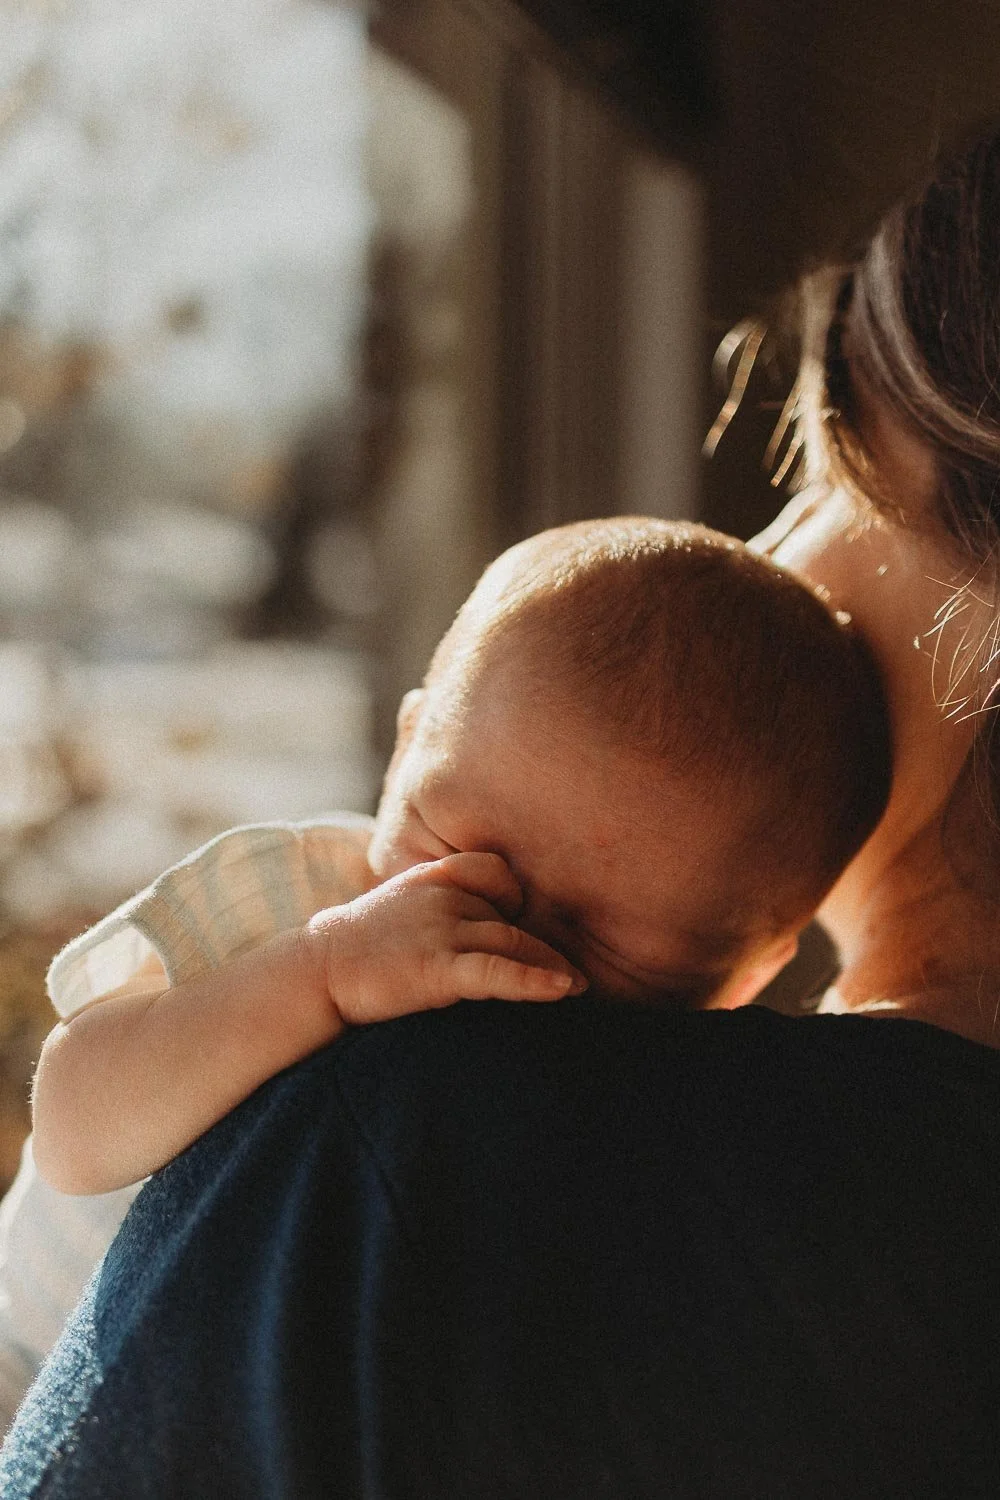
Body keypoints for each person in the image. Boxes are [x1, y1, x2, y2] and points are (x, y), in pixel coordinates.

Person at [5, 127, 1000, 1497]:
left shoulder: (420, 1144)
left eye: (829, 474)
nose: (483, 926)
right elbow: (73, 1104)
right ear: (413, 737)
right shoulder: (304, 923)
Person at [0, 517, 886, 1407]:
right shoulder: (286, 903)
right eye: (454, 844)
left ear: (745, 977)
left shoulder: (674, 1123)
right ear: (406, 746)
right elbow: (75, 1124)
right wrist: (319, 971)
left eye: (603, 941)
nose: (493, 929)